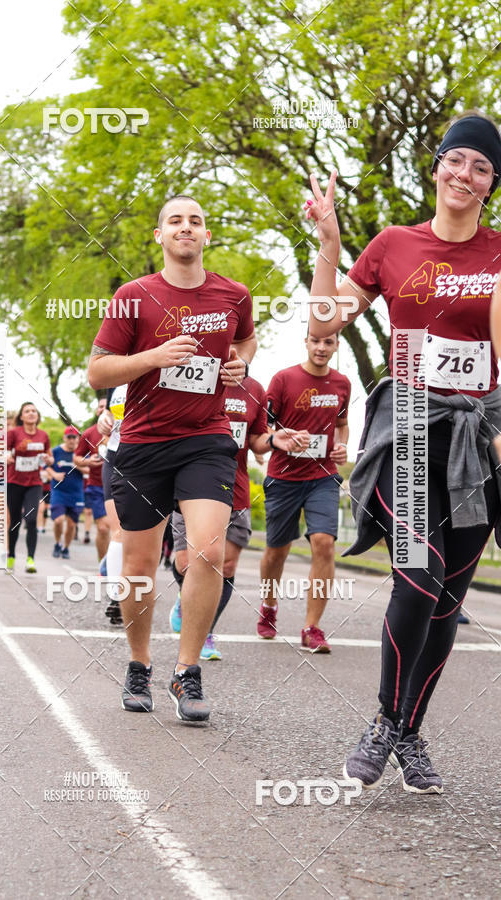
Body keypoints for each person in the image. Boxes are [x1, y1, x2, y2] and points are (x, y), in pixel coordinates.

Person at [307, 112, 501, 793]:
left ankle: (409, 732)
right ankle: (386, 723)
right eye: (456, 160)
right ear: (437, 165)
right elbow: (325, 322)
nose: (465, 174)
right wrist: (330, 246)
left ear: (492, 185)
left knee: (447, 600)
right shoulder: (393, 244)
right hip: (412, 425)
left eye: (482, 167)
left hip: (478, 437)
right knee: (419, 575)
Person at [88, 194, 257, 722]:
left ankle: (187, 670)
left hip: (206, 438)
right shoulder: (133, 296)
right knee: (139, 565)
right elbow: (98, 371)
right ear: (159, 235)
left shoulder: (234, 294)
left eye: (196, 220)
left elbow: (247, 341)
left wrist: (240, 365)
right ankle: (139, 663)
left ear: (207, 235)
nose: (187, 227)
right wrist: (154, 358)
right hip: (143, 444)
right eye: (176, 220)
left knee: (207, 551)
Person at [256, 332, 350, 652]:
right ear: (306, 342)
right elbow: (264, 428)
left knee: (324, 544)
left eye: (329, 342)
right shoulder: (283, 380)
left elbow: (342, 425)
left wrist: (342, 446)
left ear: (337, 345)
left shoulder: (342, 384)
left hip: (323, 476)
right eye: (316, 341)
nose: (321, 348)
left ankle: (312, 628)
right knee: (277, 552)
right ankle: (269, 604)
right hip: (283, 478)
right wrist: (283, 437)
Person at [169, 373, 275, 660]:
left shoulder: (254, 389)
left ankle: (205, 631)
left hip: (235, 486)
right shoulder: (193, 374)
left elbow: (257, 439)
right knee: (186, 563)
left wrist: (276, 440)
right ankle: (185, 599)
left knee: (225, 566)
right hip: (192, 484)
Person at [6, 402, 52, 573]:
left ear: (37, 415)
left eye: (34, 411)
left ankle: (30, 559)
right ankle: (11, 556)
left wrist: (49, 460)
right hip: (14, 482)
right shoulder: (14, 433)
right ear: (22, 416)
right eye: (27, 411)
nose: (31, 413)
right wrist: (6, 457)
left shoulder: (43, 435)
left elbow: (50, 457)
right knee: (15, 521)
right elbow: (2, 451)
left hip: (34, 483)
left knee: (32, 519)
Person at [96, 384, 128, 625]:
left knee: (141, 537)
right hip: (115, 457)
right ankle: (117, 599)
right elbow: (108, 413)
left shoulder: (157, 368)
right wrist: (103, 420)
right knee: (118, 530)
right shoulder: (115, 379)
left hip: (150, 458)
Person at [74, 415, 111, 562]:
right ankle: (103, 565)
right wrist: (88, 461)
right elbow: (77, 458)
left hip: (122, 486)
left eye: (106, 407)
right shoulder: (89, 433)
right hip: (97, 486)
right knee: (103, 528)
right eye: (100, 407)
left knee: (120, 530)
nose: (103, 410)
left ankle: (116, 565)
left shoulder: (126, 428)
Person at [48, 426, 86, 560]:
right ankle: (57, 543)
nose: (71, 440)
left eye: (74, 437)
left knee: (71, 524)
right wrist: (54, 474)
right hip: (59, 491)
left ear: (78, 438)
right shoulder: (56, 451)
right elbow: (46, 466)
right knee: (58, 520)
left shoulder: (81, 453)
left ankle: (66, 548)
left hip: (76, 493)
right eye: (69, 437)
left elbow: (90, 469)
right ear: (64, 438)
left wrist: (78, 465)